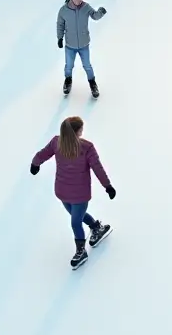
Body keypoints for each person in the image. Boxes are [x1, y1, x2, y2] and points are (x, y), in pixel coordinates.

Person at [30, 116, 115, 270]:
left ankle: (86, 240)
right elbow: (98, 168)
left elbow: (42, 154)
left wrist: (35, 163)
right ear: (76, 132)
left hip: (69, 192)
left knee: (76, 220)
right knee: (76, 218)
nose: (82, 131)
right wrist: (107, 186)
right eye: (81, 129)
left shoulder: (60, 142)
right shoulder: (83, 147)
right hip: (70, 193)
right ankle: (89, 238)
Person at [57, 0, 106, 97]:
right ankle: (68, 81)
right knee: (69, 66)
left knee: (87, 65)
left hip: (84, 44)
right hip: (70, 45)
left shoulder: (85, 7)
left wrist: (101, 11)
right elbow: (60, 25)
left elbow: (95, 16)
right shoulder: (63, 10)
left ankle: (93, 84)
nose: (80, 0)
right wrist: (60, 38)